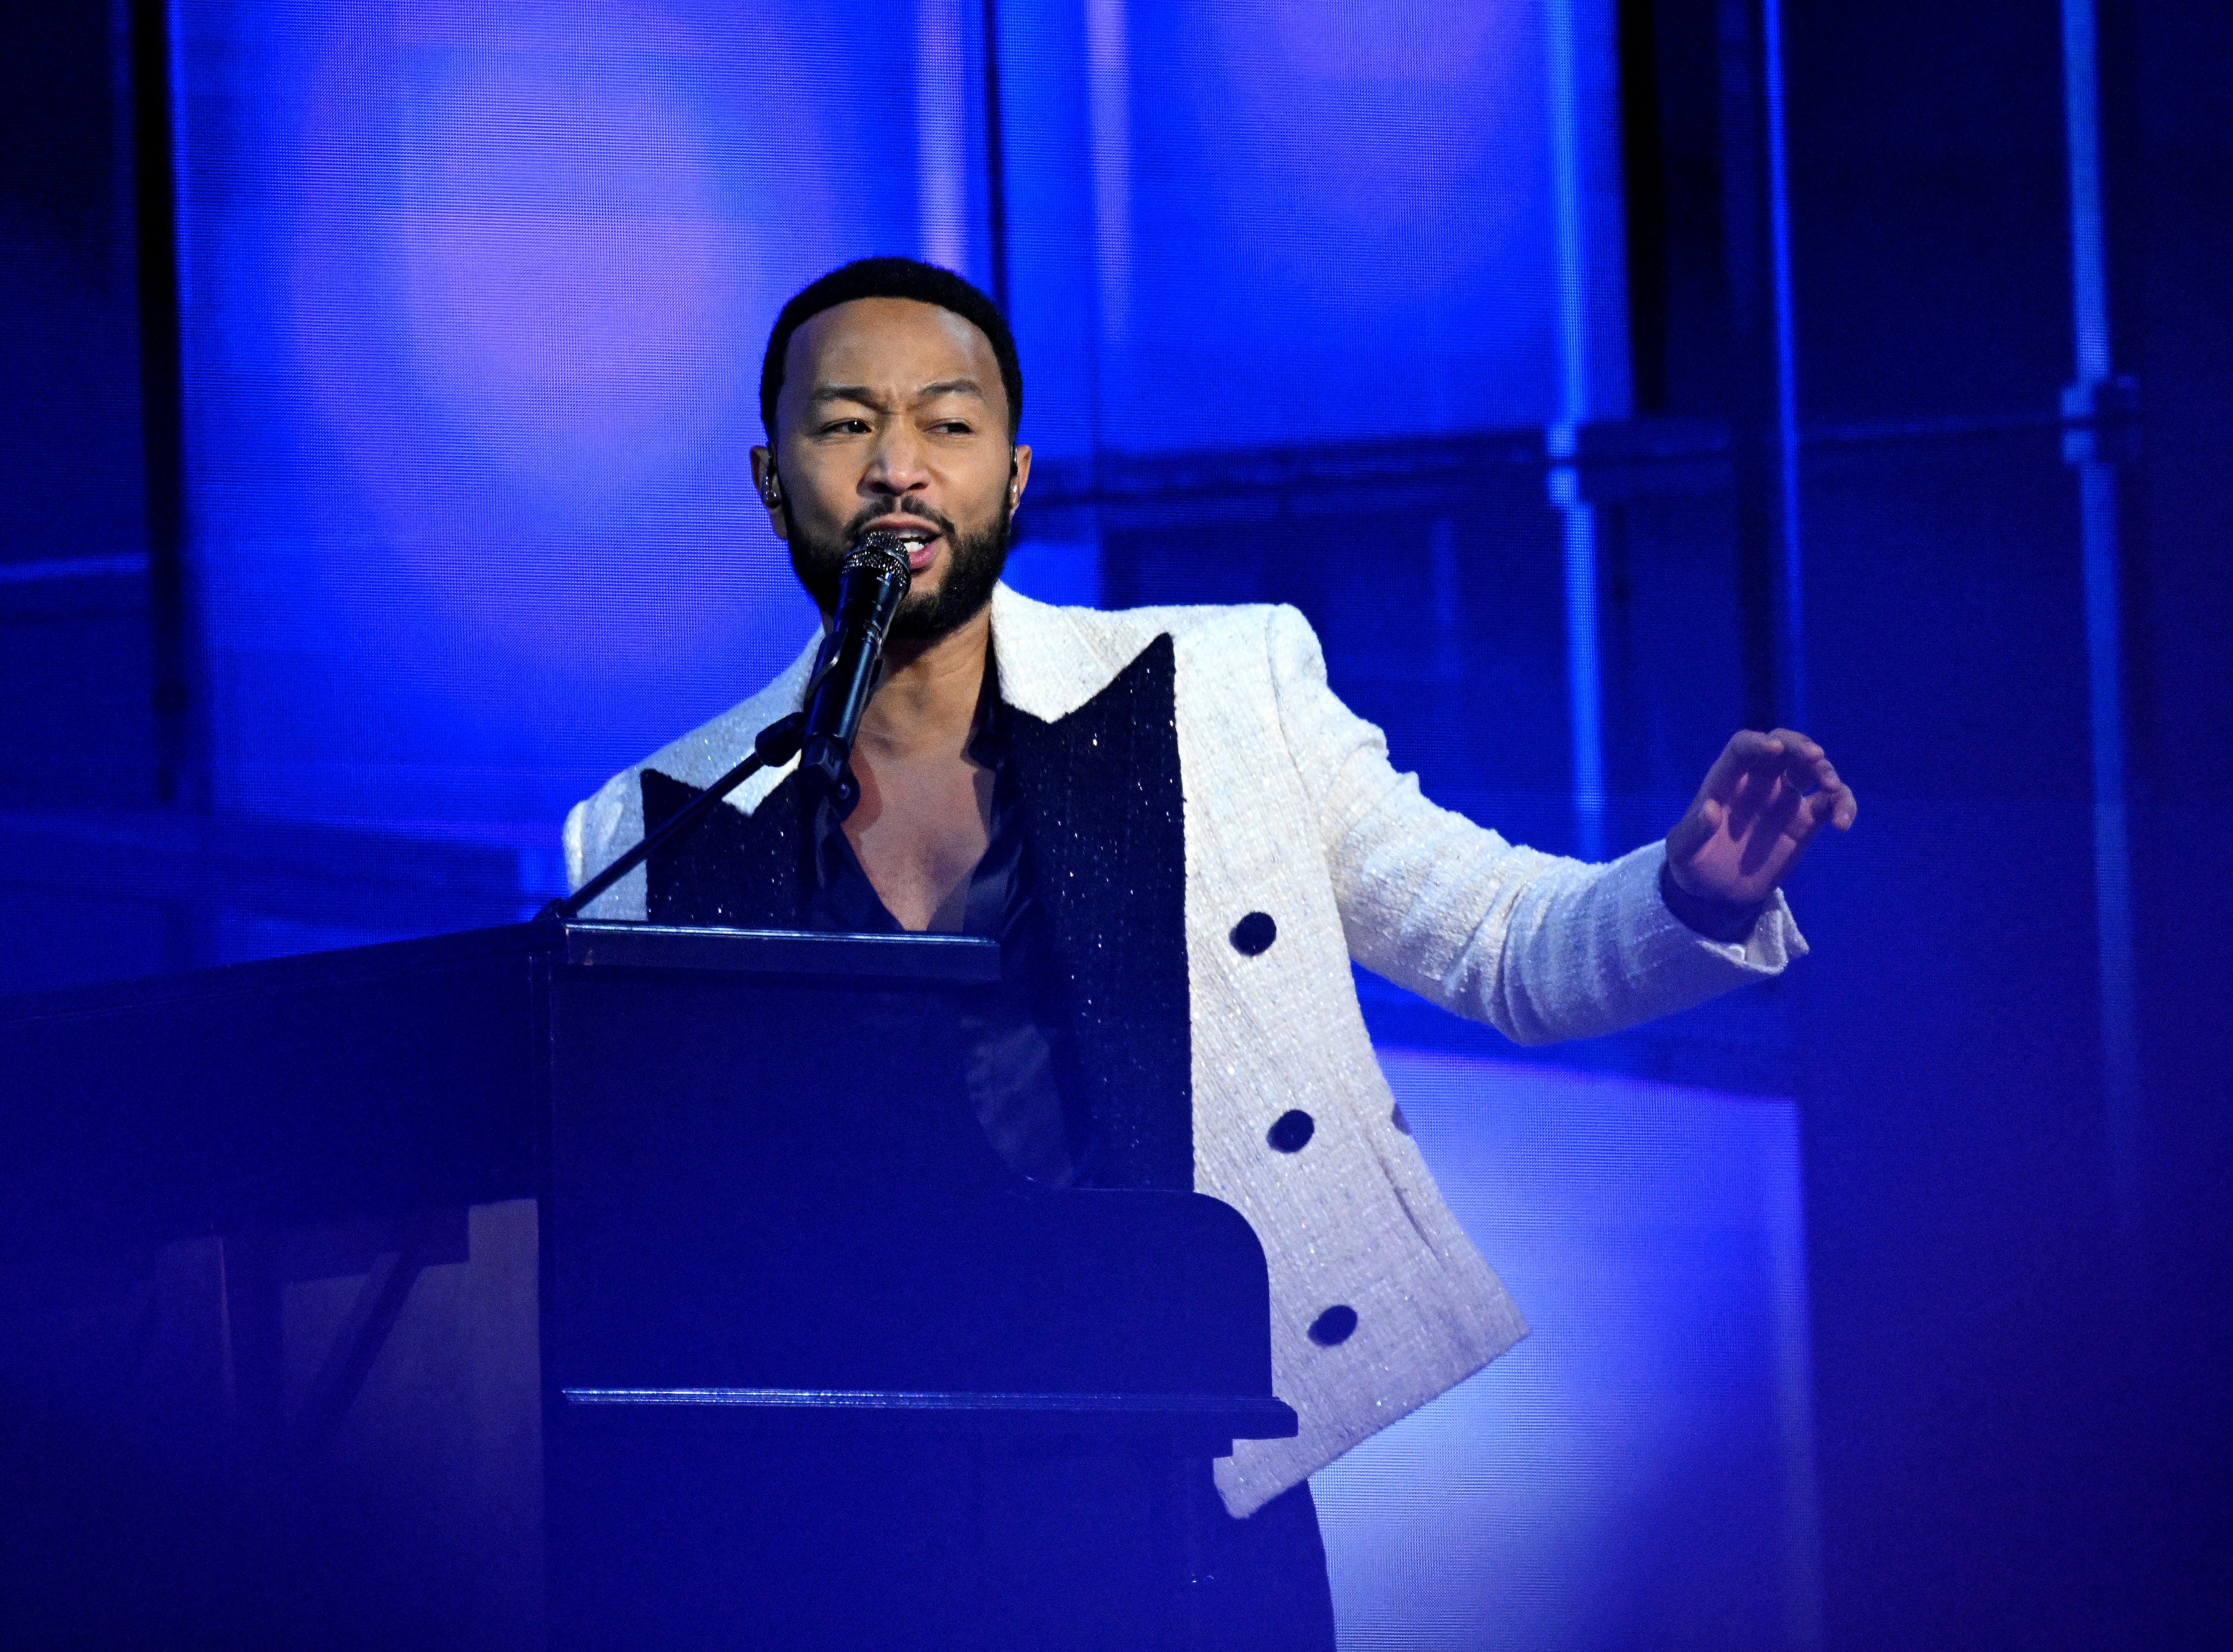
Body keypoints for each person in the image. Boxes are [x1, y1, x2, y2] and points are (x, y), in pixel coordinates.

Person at [562, 257, 1856, 1647]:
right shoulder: (652, 826)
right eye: (844, 424)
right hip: (832, 1519)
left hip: (1172, 1472)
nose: (898, 469)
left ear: (1014, 476)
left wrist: (1689, 896)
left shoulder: (1219, 694)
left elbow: (1501, 942)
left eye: (947, 422)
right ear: (770, 480)